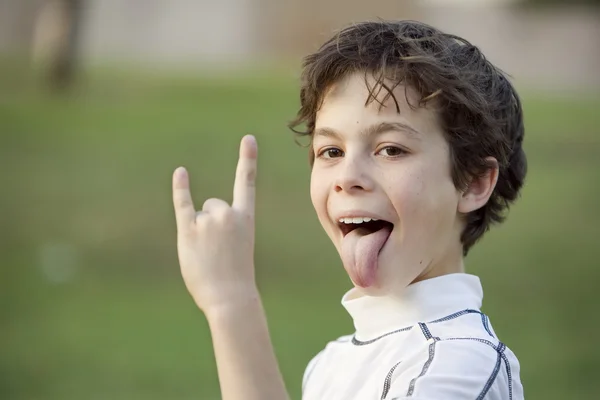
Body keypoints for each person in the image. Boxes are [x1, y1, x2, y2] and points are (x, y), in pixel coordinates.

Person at [171, 20, 526, 400]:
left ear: (474, 182)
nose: (348, 176)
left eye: (390, 149)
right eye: (332, 152)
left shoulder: (459, 364)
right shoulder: (330, 362)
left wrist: (233, 306)